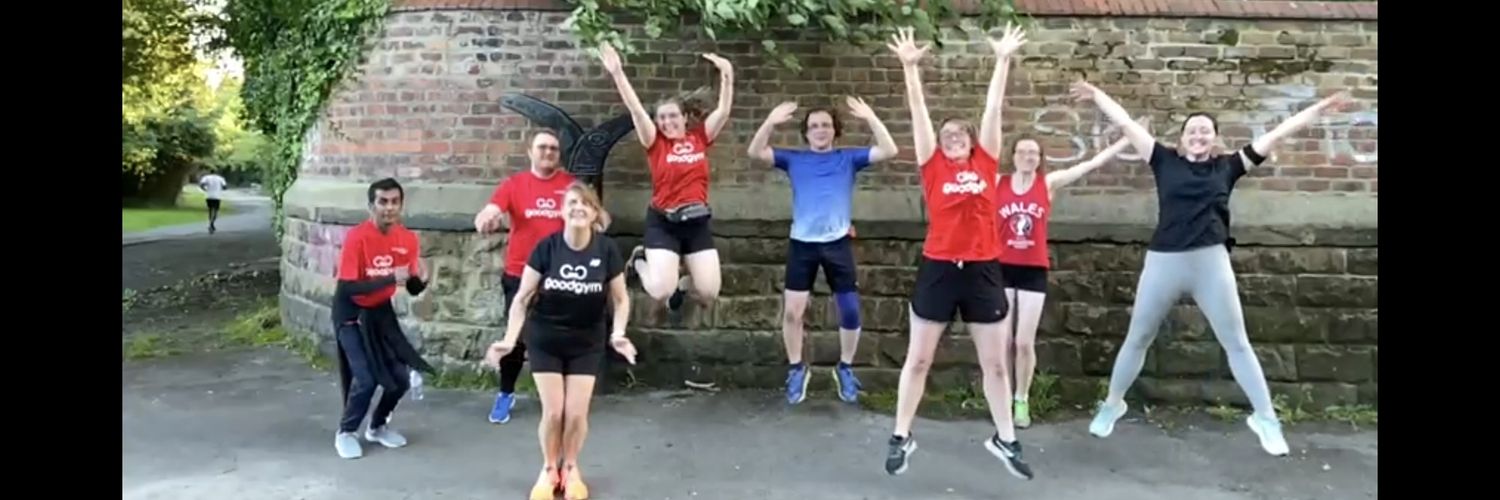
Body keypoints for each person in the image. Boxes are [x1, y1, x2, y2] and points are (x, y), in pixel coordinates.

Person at [1069, 80, 1355, 456]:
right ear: (1182, 138)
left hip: (1210, 263)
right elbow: (1126, 123)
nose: (1198, 135)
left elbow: (1278, 132)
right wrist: (1096, 94)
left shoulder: (1229, 167)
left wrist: (1318, 109)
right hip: (1164, 261)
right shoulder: (1162, 159)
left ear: (1215, 139)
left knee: (1236, 342)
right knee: (1138, 336)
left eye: (1205, 130)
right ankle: (1112, 403)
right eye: (1192, 130)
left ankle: (1266, 417)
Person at [883, 25, 1033, 480]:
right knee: (920, 358)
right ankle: (901, 436)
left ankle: (1005, 438)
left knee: (994, 363)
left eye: (959, 134)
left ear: (972, 141)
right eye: (946, 133)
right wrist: (910, 69)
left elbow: (993, 108)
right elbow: (917, 113)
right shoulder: (932, 167)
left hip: (984, 270)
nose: (952, 137)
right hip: (939, 269)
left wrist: (1003, 60)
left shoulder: (986, 162)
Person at [483, 181, 637, 500]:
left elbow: (621, 299)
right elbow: (523, 297)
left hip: (587, 340)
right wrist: (509, 340)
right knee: (554, 413)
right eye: (571, 203)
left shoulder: (606, 249)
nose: (578, 208)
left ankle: (571, 469)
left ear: (595, 213)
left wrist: (618, 334)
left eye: (585, 204)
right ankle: (549, 468)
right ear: (562, 210)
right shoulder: (546, 247)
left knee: (577, 414)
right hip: (546, 338)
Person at [746, 96, 898, 405]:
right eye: (814, 126)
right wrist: (770, 122)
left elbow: (889, 150)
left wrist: (870, 117)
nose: (820, 130)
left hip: (837, 244)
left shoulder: (848, 158)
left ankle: (845, 368)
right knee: (792, 312)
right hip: (802, 245)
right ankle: (795, 369)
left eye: (826, 125)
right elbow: (755, 152)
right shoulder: (794, 159)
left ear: (835, 131)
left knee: (851, 311)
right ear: (805, 132)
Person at [995, 125, 1144, 428]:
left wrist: (1125, 140)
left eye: (1033, 153)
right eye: (1022, 152)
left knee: (1024, 342)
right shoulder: (998, 182)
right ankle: (1000, 398)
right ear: (1013, 156)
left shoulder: (1047, 183)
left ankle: (1021, 399)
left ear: (1039, 158)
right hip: (1000, 268)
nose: (1027, 157)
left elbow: (1090, 164)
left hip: (1033, 270)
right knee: (1002, 342)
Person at [596, 43, 734, 314]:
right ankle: (639, 262)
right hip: (664, 221)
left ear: (684, 118)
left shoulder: (700, 137)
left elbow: (724, 111)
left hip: (696, 220)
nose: (668, 122)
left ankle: (684, 284)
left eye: (673, 116)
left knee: (708, 293)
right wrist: (617, 74)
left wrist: (727, 75)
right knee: (660, 290)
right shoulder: (655, 142)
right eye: (662, 118)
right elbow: (636, 110)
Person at [473, 130, 577, 425]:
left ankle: (562, 400)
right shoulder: (514, 185)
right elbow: (493, 209)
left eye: (554, 149)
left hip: (562, 277)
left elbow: (589, 215)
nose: (548, 153)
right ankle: (506, 393)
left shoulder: (570, 186)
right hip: (520, 275)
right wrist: (486, 217)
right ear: (530, 151)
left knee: (561, 339)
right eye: (542, 147)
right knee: (515, 340)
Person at [331, 177, 436, 459]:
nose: (389, 208)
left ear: (401, 205)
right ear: (371, 206)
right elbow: (349, 287)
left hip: (380, 312)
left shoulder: (406, 238)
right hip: (351, 313)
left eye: (394, 202)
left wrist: (422, 281)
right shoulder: (357, 237)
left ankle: (377, 427)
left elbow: (412, 286)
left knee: (399, 379)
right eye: (383, 202)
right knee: (365, 379)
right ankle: (346, 431)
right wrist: (391, 277)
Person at [198, 169, 227, 234]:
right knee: (216, 210)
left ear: (210, 172)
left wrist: (205, 189)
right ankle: (212, 223)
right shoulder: (220, 178)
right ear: (217, 172)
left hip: (209, 196)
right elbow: (225, 187)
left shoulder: (206, 177)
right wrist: (220, 188)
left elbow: (201, 185)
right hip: (217, 196)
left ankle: (210, 223)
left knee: (210, 210)